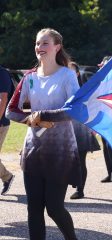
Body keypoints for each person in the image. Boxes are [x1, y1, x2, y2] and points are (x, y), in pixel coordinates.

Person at [6, 28, 80, 240]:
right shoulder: (29, 77)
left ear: (57, 47)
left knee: (54, 208)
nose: (39, 47)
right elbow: (12, 110)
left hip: (61, 152)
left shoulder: (67, 75)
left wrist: (43, 115)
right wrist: (29, 119)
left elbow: (74, 110)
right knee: (34, 209)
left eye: (45, 43)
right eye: (38, 43)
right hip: (33, 152)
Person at [68, 61, 101, 199]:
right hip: (66, 129)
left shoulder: (85, 91)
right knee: (68, 160)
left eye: (71, 71)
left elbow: (93, 109)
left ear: (76, 73)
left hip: (81, 129)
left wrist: (93, 127)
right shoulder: (61, 88)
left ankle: (80, 190)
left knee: (81, 160)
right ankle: (74, 181)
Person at [98, 56, 112, 183]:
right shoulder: (100, 80)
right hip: (102, 116)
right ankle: (109, 171)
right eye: (103, 65)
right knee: (105, 146)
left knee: (110, 146)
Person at [0, 65, 14, 195]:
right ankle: (7, 177)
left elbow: (3, 99)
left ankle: (7, 177)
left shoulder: (2, 73)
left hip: (1, 123)